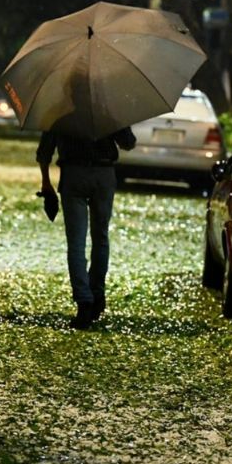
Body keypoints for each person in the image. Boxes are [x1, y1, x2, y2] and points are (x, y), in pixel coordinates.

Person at [37, 124, 137, 330]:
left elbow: (44, 151)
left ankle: (84, 301)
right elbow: (129, 143)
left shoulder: (60, 112)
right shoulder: (107, 112)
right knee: (100, 237)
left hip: (73, 174)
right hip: (104, 174)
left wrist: (46, 182)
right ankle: (97, 294)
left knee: (76, 243)